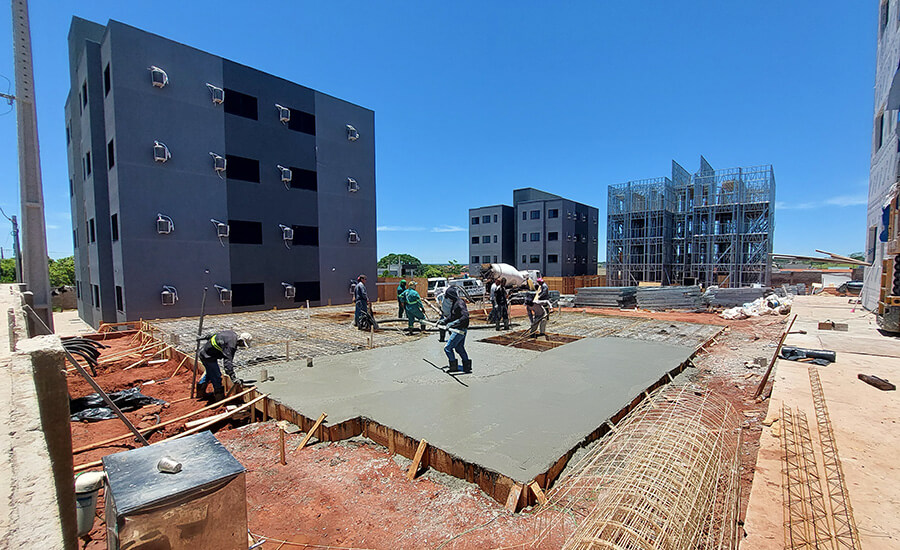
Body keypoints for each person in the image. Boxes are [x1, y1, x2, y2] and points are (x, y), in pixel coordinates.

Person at [196, 330, 252, 401]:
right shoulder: (231, 346)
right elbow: (227, 363)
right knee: (216, 376)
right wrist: (233, 378)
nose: (242, 346)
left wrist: (204, 337)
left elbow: (216, 334)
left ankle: (200, 393)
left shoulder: (232, 334)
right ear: (241, 341)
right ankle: (219, 398)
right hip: (207, 357)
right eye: (243, 344)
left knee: (210, 372)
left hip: (205, 352)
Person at [439, 286, 471, 373]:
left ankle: (453, 367)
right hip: (459, 328)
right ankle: (467, 367)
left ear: (451, 295)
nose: (448, 298)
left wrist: (453, 323)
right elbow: (453, 315)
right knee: (459, 348)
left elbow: (465, 316)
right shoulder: (455, 302)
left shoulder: (460, 303)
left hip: (460, 329)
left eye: (448, 296)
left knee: (448, 348)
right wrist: (445, 321)